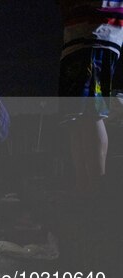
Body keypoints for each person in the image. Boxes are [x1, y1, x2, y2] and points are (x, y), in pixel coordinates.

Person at [58, 0, 123, 198]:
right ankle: (84, 186)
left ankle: (95, 186)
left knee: (91, 114)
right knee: (74, 118)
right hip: (79, 38)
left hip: (95, 34)